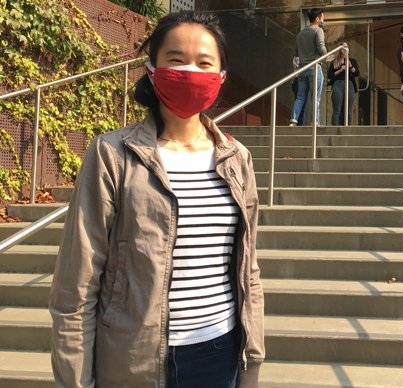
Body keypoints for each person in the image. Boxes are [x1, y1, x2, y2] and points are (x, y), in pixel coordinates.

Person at [49, 11, 264, 388]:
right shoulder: (112, 155)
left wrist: (252, 361)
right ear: (152, 69)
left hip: (219, 352)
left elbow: (249, 271)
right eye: (176, 60)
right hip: (133, 358)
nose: (191, 72)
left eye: (204, 63)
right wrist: (75, 379)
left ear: (221, 77)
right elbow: (77, 283)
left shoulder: (236, 158)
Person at [290, 8, 327, 126]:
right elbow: (321, 47)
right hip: (314, 67)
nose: (323, 20)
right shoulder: (318, 30)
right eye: (322, 17)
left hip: (302, 68)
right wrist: (326, 56)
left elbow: (296, 52)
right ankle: (315, 121)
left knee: (300, 96)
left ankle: (293, 120)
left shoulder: (300, 34)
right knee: (315, 97)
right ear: (317, 18)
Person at [327, 44, 360, 125]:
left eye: (346, 47)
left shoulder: (352, 60)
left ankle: (347, 130)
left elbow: (357, 73)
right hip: (338, 84)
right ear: (340, 49)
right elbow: (329, 75)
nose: (345, 49)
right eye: (343, 47)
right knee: (337, 110)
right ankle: (334, 130)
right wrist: (340, 70)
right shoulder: (335, 61)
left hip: (350, 85)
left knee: (349, 111)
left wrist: (350, 66)